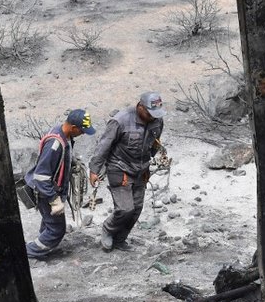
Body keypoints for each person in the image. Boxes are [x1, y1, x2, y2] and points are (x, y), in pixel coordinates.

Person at [89, 91, 165, 252]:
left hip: (141, 169)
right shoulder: (120, 121)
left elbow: (155, 143)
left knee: (136, 209)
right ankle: (108, 229)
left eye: (155, 114)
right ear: (140, 107)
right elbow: (103, 146)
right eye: (150, 113)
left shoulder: (157, 121)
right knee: (125, 208)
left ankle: (120, 239)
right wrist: (94, 169)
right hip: (119, 167)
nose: (153, 117)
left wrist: (151, 159)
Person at [24, 109, 96, 258]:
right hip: (46, 192)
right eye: (82, 131)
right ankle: (28, 252)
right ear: (74, 127)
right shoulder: (55, 144)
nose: (82, 134)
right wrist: (53, 200)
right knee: (56, 230)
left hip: (50, 190)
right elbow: (41, 176)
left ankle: (39, 245)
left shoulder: (62, 134)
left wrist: (73, 162)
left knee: (49, 222)